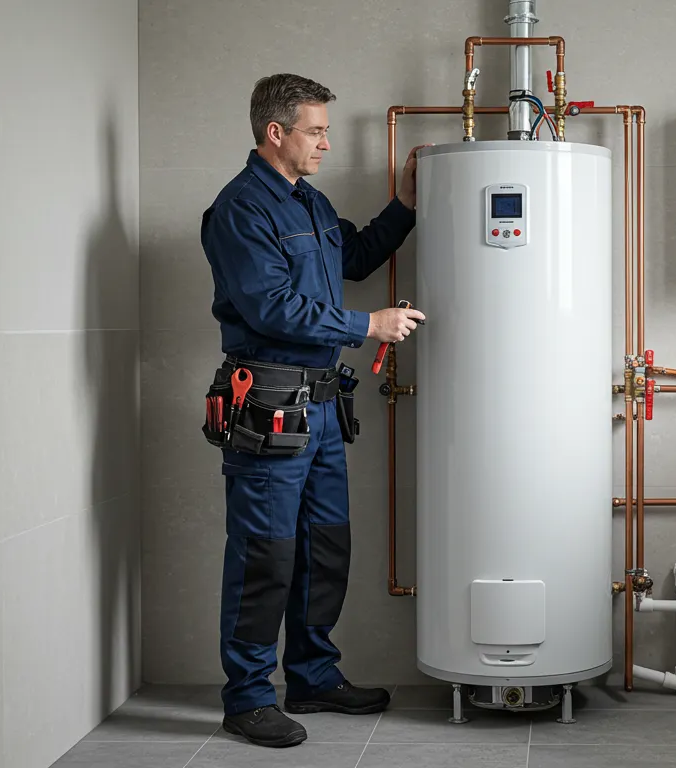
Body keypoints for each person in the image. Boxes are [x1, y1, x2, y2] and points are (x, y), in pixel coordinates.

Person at [199, 72, 427, 749]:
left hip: (323, 409)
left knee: (324, 550)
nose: (326, 142)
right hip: (268, 404)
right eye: (316, 131)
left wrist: (404, 207)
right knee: (265, 554)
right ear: (276, 132)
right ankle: (246, 698)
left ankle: (312, 676)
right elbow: (272, 308)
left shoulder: (310, 204)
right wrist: (369, 326)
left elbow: (352, 256)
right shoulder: (242, 209)